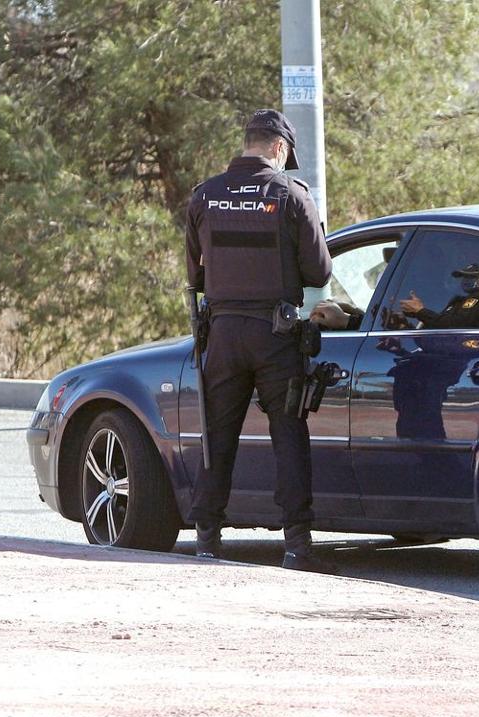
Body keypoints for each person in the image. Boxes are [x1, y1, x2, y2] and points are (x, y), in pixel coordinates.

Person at [185, 108, 337, 574]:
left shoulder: (205, 195)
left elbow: (194, 273)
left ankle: (207, 540)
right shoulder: (291, 195)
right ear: (277, 147)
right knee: (288, 435)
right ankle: (296, 545)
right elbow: (320, 271)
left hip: (224, 333)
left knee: (219, 436)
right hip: (277, 334)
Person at [311, 263, 479, 332]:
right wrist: (356, 314)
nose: (465, 282)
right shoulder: (459, 301)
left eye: (471, 278)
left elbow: (452, 326)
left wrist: (420, 312)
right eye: (464, 278)